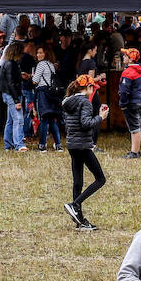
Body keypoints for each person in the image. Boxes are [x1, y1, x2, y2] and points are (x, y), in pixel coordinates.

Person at [60, 76, 109, 230]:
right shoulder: (85, 102)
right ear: (87, 87)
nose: (93, 90)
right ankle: (75, 205)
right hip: (83, 145)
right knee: (100, 179)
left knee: (78, 182)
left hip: (72, 144)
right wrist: (100, 117)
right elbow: (86, 124)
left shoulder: (68, 101)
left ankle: (79, 221)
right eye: (92, 87)